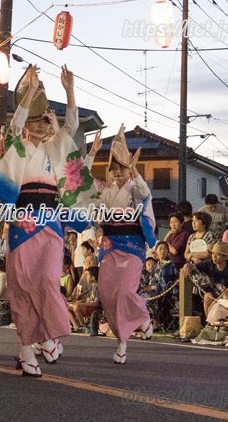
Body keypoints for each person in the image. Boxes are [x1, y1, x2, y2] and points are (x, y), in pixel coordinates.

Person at [0, 65, 96, 375]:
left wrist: (70, 90)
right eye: (40, 120)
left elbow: (71, 125)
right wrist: (31, 92)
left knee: (46, 280)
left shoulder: (56, 148)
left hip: (49, 225)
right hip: (21, 225)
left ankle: (48, 336)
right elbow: (13, 124)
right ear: (28, 125)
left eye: (47, 119)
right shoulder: (16, 148)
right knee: (20, 289)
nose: (46, 124)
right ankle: (27, 350)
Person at [91, 125, 157, 365]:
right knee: (107, 293)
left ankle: (142, 318)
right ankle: (121, 341)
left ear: (130, 168)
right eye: (114, 168)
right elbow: (83, 183)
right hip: (110, 245)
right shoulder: (105, 191)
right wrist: (92, 153)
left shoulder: (136, 188)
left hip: (133, 246)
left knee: (125, 292)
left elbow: (145, 194)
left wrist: (136, 172)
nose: (117, 172)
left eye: (122, 167)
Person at [182, 242, 228, 322]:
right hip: (214, 293)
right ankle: (210, 323)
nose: (214, 257)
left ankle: (223, 322)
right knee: (207, 296)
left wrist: (215, 302)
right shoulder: (209, 263)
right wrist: (187, 265)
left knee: (226, 297)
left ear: (225, 257)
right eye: (213, 254)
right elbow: (194, 266)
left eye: (218, 255)